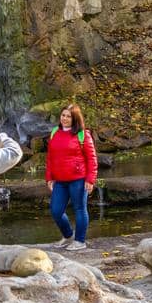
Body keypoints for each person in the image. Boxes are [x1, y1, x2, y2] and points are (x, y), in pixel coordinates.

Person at [45, 104, 97, 251]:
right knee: (56, 211)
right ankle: (68, 235)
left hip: (78, 180)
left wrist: (90, 179)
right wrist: (49, 177)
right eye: (63, 115)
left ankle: (80, 241)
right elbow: (50, 158)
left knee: (80, 209)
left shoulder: (83, 135)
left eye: (69, 116)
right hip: (60, 181)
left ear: (75, 119)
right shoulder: (55, 132)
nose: (65, 119)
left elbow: (92, 159)